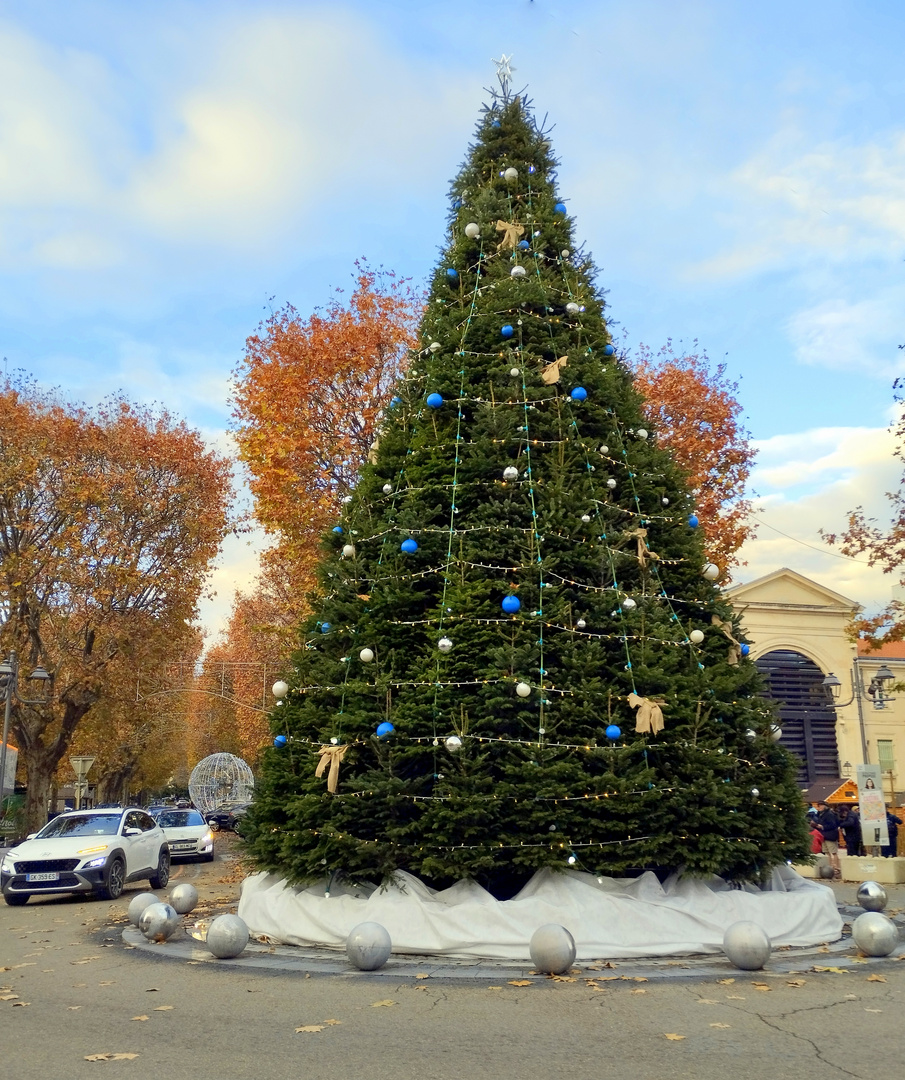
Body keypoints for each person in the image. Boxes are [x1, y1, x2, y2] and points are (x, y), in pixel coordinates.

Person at [815, 800, 841, 879]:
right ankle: (831, 868)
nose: (818, 808)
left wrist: (822, 826)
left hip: (830, 835)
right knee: (827, 852)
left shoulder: (829, 814)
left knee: (833, 852)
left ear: (823, 806)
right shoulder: (821, 814)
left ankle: (837, 868)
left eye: (820, 806)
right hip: (824, 835)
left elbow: (833, 825)